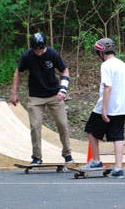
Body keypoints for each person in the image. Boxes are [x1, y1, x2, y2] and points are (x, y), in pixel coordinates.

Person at [10, 32, 74, 165]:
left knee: (62, 124)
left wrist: (63, 89)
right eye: (36, 50)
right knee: (35, 127)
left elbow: (65, 70)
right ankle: (37, 157)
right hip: (35, 97)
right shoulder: (27, 55)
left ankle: (67, 154)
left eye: (41, 50)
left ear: (45, 46)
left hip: (54, 95)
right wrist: (14, 93)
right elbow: (18, 72)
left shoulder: (52, 54)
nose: (39, 52)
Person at [82, 37, 125, 179]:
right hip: (121, 107)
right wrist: (124, 101)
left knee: (91, 130)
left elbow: (107, 87)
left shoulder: (106, 65)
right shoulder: (123, 65)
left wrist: (104, 109)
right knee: (118, 137)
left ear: (101, 53)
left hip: (107, 106)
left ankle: (96, 160)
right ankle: (118, 169)